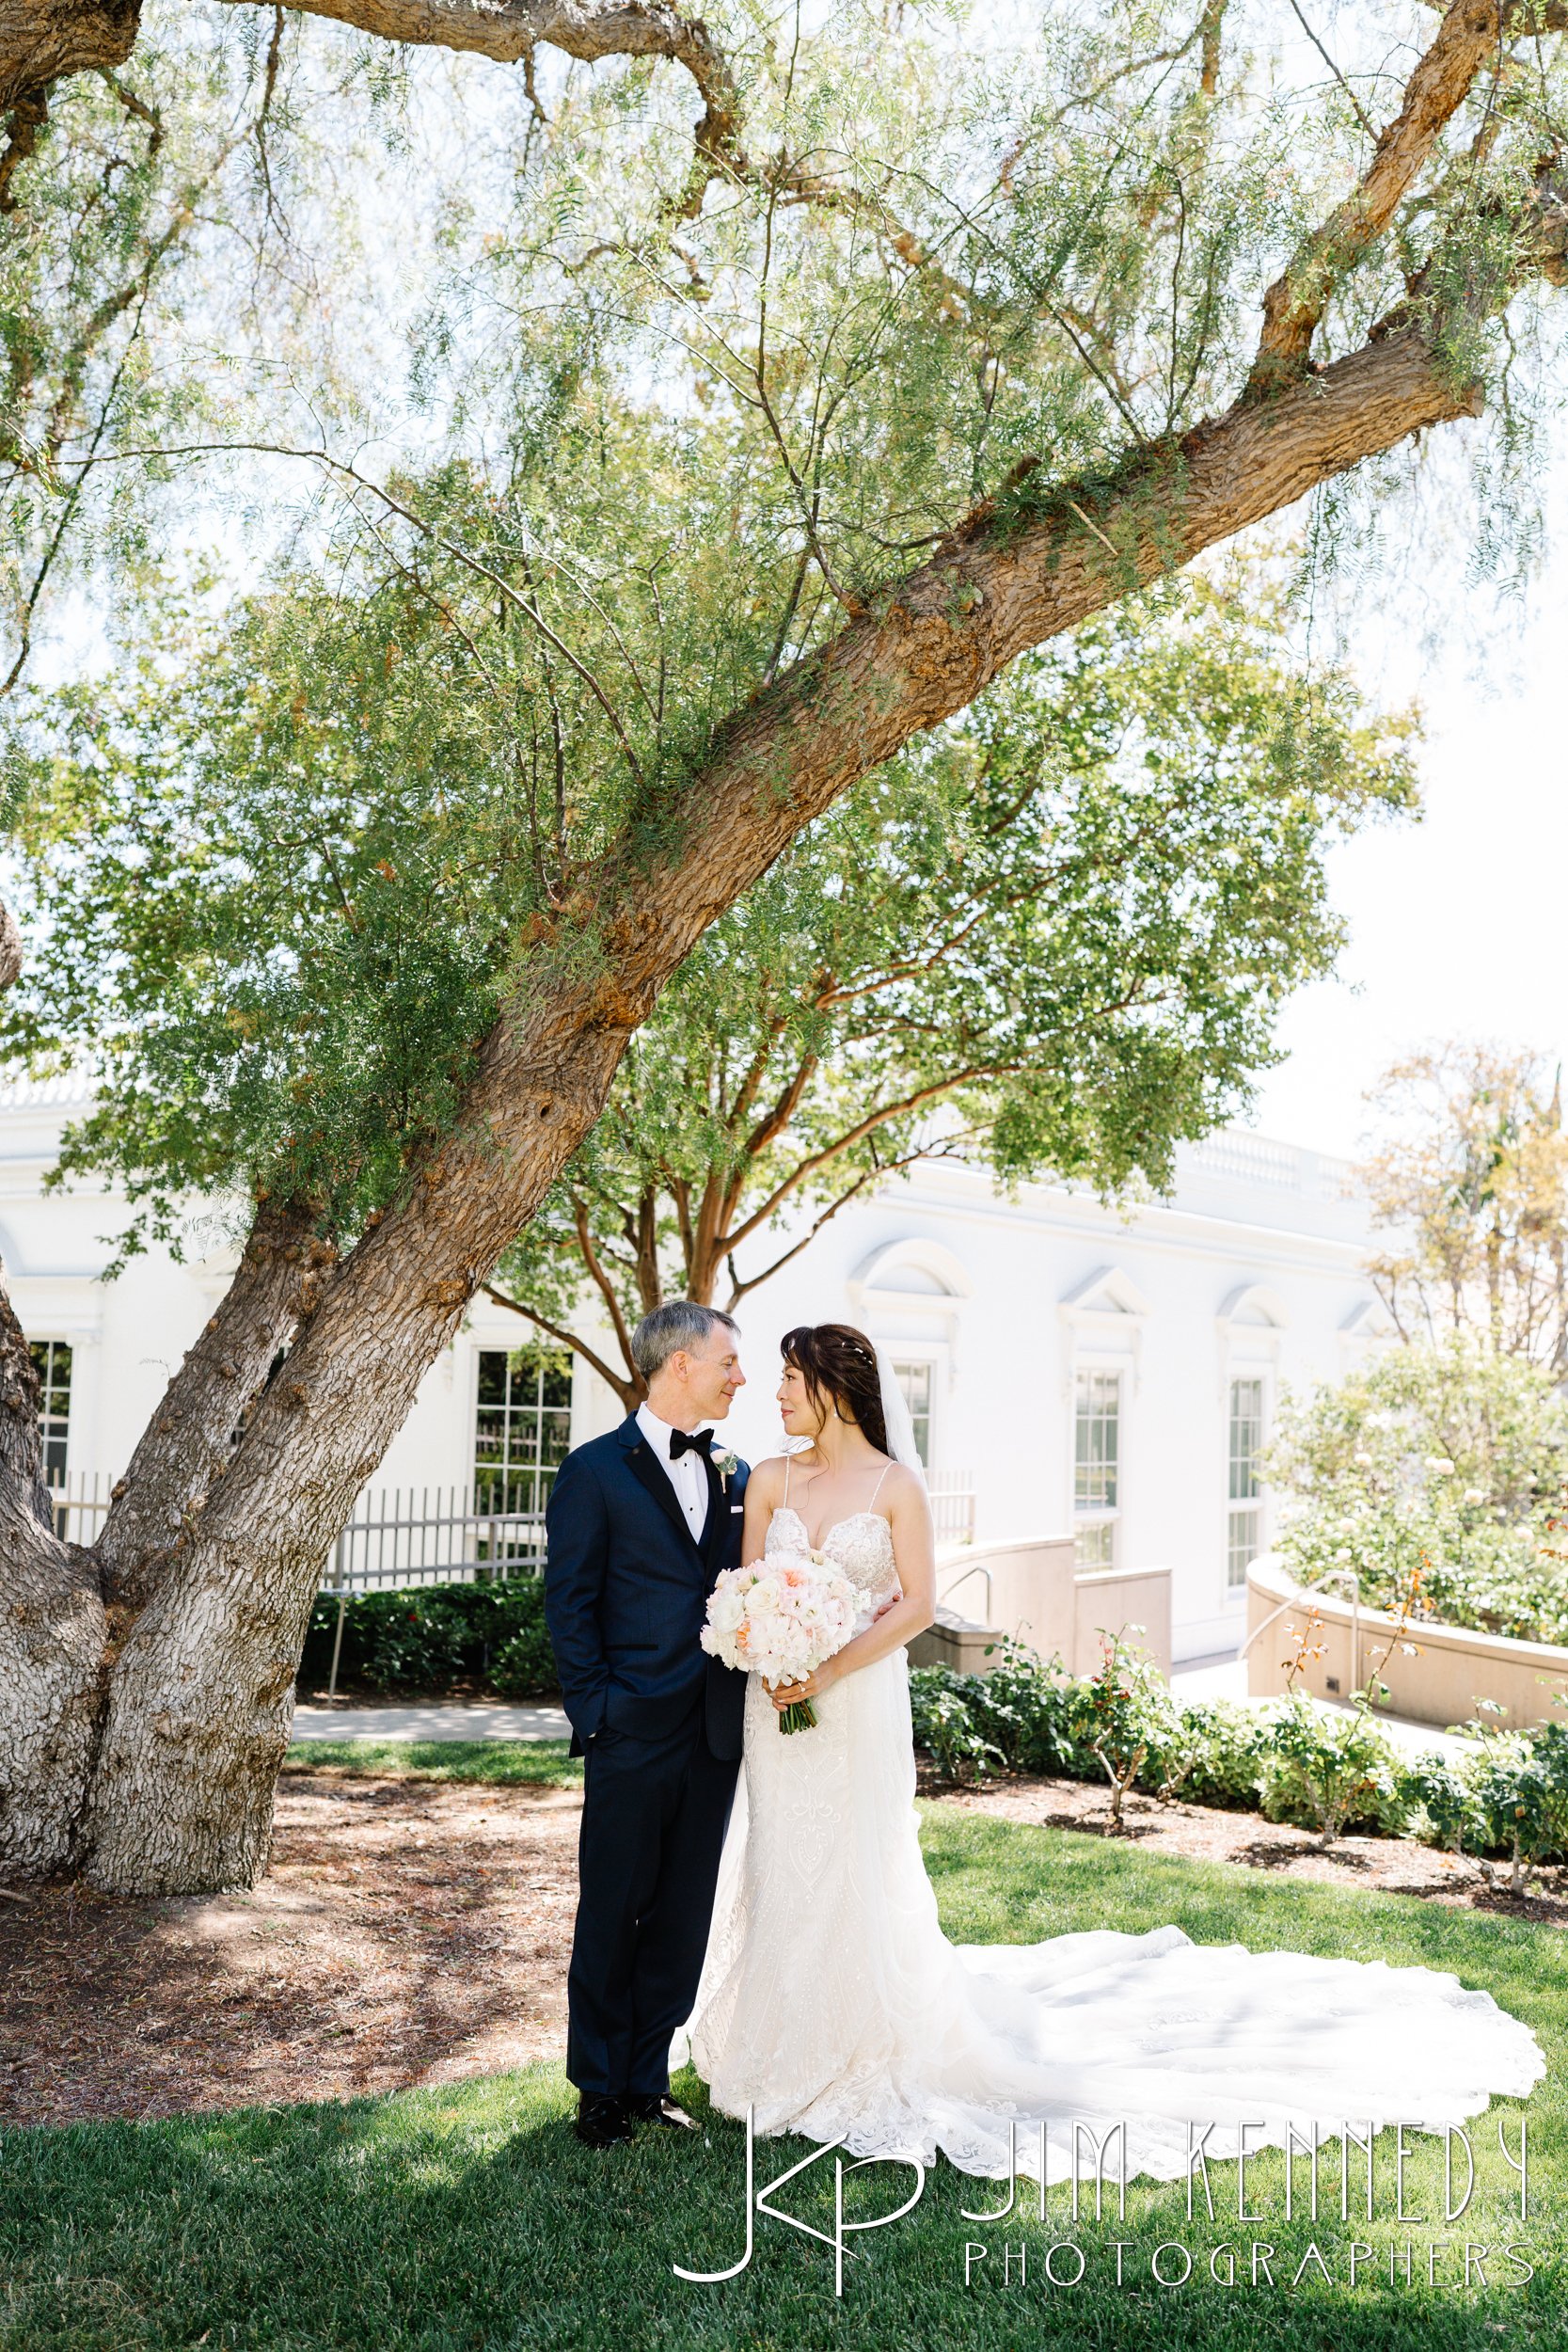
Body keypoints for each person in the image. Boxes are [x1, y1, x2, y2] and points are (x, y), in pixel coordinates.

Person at [675, 1320, 1546, 2187]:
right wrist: (770, 1654)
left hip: (856, 1699)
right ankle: (774, 2046)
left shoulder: (896, 1486)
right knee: (782, 1860)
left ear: (830, 1386)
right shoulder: (770, 1479)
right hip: (777, 1705)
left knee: (856, 1864)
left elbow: (913, 1605)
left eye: (789, 1378)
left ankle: (853, 2045)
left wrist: (827, 1663)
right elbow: (748, 1591)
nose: (776, 1393)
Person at [545, 1300, 751, 2150]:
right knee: (613, 1910)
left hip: (712, 1731)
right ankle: (597, 2088)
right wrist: (598, 1716)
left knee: (680, 1913)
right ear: (679, 1366)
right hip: (628, 1730)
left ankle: (648, 2076)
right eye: (728, 1362)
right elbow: (569, 1605)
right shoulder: (593, 1472)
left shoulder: (739, 1475)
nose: (740, 1377)